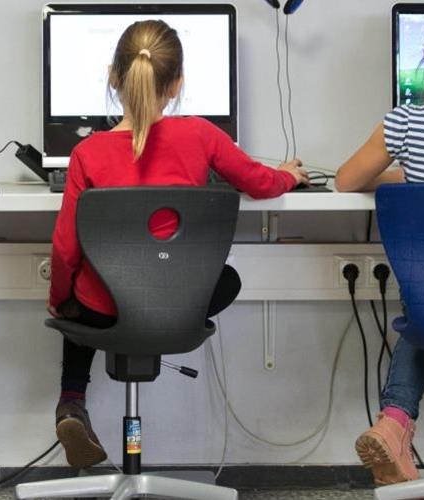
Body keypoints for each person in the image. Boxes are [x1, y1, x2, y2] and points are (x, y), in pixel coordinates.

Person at [47, 19, 309, 469]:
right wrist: (291, 174)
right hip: (178, 309)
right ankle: (138, 328)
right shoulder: (203, 135)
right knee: (225, 280)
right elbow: (261, 184)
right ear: (178, 83)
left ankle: (72, 400)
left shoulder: (86, 155)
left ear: (115, 76)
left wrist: (59, 300)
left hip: (107, 311)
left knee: (83, 290)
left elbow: (66, 249)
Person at [336, 0, 424, 486]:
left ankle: (394, 420)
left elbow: (346, 181)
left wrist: (404, 176)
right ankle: (394, 425)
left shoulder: (407, 123)